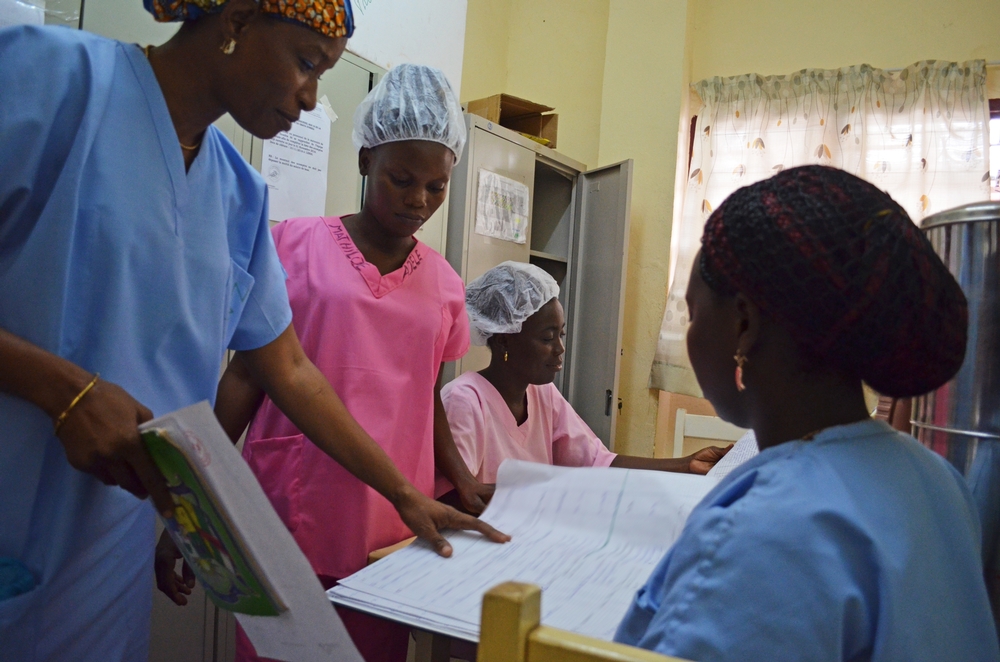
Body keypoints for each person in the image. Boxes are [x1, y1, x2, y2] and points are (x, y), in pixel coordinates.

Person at [0, 3, 502, 659]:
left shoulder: (237, 195)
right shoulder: (55, 81)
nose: (312, 97)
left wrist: (407, 495)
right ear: (235, 19)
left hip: (107, 551)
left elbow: (290, 370)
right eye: (305, 62)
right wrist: (64, 392)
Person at [614, 165, 1000, 661]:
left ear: (744, 324)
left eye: (693, 314)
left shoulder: (764, 533)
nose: (690, 335)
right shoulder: (935, 479)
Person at [201, 63, 494, 662]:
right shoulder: (293, 244)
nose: (417, 200)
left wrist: (460, 478)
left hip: (390, 526)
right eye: (400, 178)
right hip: (294, 505)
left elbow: (426, 396)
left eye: (435, 187)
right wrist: (200, 494)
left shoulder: (442, 284)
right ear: (365, 162)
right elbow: (246, 373)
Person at [439, 261, 729, 489]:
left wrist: (686, 465)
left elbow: (597, 462)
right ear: (504, 339)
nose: (560, 348)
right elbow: (457, 498)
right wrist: (553, 494)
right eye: (547, 338)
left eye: (561, 334)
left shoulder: (542, 393)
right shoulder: (464, 401)